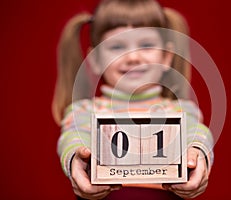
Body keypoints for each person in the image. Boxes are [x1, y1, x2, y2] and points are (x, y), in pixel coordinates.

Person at [52, 0, 214, 199]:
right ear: (95, 60)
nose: (133, 57)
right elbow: (74, 137)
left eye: (146, 45)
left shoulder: (183, 110)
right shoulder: (83, 111)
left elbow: (196, 134)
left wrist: (197, 155)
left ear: (166, 57)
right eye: (117, 46)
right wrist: (77, 158)